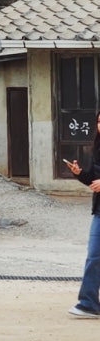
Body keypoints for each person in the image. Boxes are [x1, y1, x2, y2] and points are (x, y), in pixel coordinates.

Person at [67, 112, 100, 317]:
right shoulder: (96, 150)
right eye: (98, 121)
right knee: (93, 255)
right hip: (99, 212)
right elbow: (93, 181)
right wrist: (79, 174)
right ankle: (88, 303)